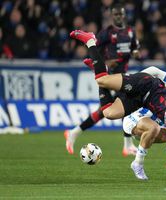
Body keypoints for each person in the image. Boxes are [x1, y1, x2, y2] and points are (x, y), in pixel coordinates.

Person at [69, 29, 166, 180]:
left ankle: (101, 69)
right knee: (103, 81)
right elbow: (154, 71)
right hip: (145, 86)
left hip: (141, 104)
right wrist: (133, 81)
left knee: (109, 113)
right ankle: (90, 41)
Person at [65, 3, 140, 156]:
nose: (118, 17)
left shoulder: (131, 31)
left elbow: (135, 49)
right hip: (111, 75)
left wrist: (136, 53)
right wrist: (104, 63)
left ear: (124, 15)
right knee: (124, 104)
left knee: (106, 111)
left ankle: (75, 132)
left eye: (121, 14)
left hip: (122, 74)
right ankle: (127, 144)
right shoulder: (106, 33)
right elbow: (93, 52)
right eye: (116, 14)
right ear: (112, 16)